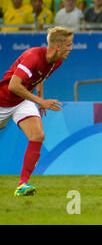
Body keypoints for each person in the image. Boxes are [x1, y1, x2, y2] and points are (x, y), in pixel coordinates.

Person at [0, 26, 74, 196]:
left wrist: (40, 97)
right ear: (58, 47)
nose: (71, 49)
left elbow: (40, 76)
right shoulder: (32, 56)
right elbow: (13, 86)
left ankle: (22, 184)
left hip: (22, 101)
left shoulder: (56, 61)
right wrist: (41, 101)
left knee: (38, 136)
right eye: (69, 45)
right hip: (3, 101)